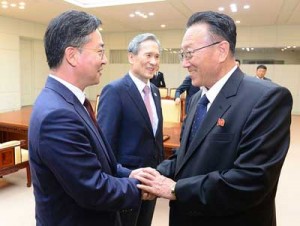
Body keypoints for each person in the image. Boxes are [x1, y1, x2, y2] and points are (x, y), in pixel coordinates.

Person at [135, 11, 293, 226]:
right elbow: (186, 157)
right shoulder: (198, 98)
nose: (184, 63)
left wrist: (174, 188)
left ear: (221, 50)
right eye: (183, 55)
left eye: (189, 53)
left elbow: (251, 180)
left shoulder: (266, 98)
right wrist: (154, 175)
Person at [28, 10, 144, 226]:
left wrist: (131, 174)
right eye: (100, 51)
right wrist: (143, 188)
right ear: (72, 55)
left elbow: (98, 164)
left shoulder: (69, 101)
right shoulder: (57, 115)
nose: (105, 60)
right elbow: (93, 189)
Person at [97, 33, 164, 226]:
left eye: (157, 56)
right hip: (125, 183)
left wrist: (158, 174)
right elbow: (105, 148)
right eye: (148, 55)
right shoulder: (114, 91)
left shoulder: (155, 92)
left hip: (152, 181)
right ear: (131, 57)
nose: (153, 61)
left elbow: (154, 139)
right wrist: (123, 176)